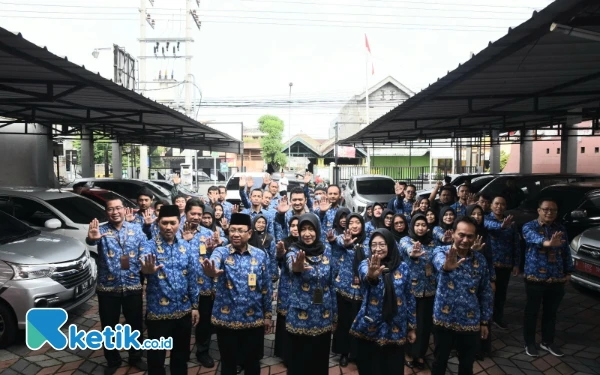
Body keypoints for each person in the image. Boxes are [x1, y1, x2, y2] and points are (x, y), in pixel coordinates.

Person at [201, 213, 273, 375]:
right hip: (226, 320)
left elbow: (266, 287)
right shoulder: (221, 252)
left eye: (240, 230)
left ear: (250, 233)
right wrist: (210, 270)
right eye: (232, 230)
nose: (235, 234)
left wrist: (268, 315)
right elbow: (213, 261)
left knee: (252, 362)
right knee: (228, 362)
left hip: (253, 319)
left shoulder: (260, 255)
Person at [86, 196, 148, 375]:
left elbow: (144, 250)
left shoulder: (136, 229)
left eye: (118, 208)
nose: (115, 212)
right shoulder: (101, 230)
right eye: (111, 209)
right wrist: (90, 239)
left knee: (135, 324)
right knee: (109, 326)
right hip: (108, 287)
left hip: (133, 286)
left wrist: (145, 266)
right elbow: (92, 240)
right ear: (107, 212)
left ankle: (135, 357)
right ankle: (112, 360)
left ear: (125, 209)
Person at [140, 205, 200, 375]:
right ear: (158, 223)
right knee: (156, 357)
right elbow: (143, 265)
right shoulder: (149, 246)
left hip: (183, 311)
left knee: (181, 356)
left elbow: (192, 279)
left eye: (172, 223)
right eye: (164, 223)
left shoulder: (186, 247)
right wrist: (146, 271)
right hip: (158, 313)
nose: (168, 227)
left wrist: (195, 306)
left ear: (179, 223)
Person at [350, 228, 417, 375]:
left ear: (390, 245)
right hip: (371, 326)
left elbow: (410, 297)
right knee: (370, 368)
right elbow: (364, 276)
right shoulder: (365, 263)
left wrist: (412, 327)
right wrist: (371, 276)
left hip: (396, 327)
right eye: (374, 244)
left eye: (382, 244)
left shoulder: (403, 268)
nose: (377, 248)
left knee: (392, 368)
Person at [431, 217, 493, 375]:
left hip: (470, 321)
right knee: (439, 362)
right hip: (444, 320)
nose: (465, 240)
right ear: (453, 234)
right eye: (461, 235)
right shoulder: (441, 252)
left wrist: (485, 322)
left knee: (466, 365)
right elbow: (440, 264)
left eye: (470, 236)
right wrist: (447, 267)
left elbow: (485, 291)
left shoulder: (480, 260)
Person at [285, 214, 337, 375]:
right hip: (300, 316)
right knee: (298, 360)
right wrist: (296, 268)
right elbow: (290, 264)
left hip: (323, 313)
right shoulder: (294, 251)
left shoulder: (327, 250)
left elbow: (332, 283)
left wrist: (335, 316)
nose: (307, 233)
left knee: (320, 359)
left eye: (311, 229)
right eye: (303, 229)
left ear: (318, 230)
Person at [521, 198, 574, 358]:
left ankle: (547, 341)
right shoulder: (529, 226)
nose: (549, 212)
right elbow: (532, 238)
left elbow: (566, 251)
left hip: (556, 278)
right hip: (535, 278)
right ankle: (529, 342)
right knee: (532, 312)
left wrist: (569, 271)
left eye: (553, 210)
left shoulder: (560, 228)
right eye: (546, 209)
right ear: (539, 211)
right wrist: (547, 243)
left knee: (551, 313)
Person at [180, 200, 219, 368]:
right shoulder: (175, 230)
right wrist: (185, 241)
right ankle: (181, 353)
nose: (196, 217)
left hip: (204, 287)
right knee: (182, 323)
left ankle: (202, 351)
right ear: (186, 213)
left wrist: (215, 246)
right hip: (182, 287)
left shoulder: (207, 233)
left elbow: (217, 249)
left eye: (199, 214)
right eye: (192, 214)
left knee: (204, 322)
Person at [330, 213, 368, 367]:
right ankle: (344, 353)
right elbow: (338, 241)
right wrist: (346, 244)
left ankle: (358, 353)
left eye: (357, 222)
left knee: (359, 322)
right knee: (344, 322)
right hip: (344, 288)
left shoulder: (369, 242)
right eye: (351, 222)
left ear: (362, 225)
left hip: (362, 290)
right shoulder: (343, 238)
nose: (354, 225)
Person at [399, 214, 436, 370]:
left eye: (423, 225)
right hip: (411, 291)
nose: (420, 228)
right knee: (411, 323)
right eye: (417, 225)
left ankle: (420, 353)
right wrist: (412, 253)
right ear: (412, 226)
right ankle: (407, 353)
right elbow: (407, 249)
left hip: (429, 291)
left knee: (424, 324)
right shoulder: (406, 240)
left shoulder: (433, 244)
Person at [484, 195, 520, 330]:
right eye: (496, 204)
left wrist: (516, 263)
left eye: (502, 204)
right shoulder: (486, 219)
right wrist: (502, 226)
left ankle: (498, 318)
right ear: (491, 205)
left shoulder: (511, 222)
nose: (499, 207)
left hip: (505, 263)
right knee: (487, 292)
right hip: (489, 263)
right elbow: (489, 226)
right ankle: (485, 318)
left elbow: (516, 243)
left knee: (501, 293)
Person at [466, 204, 496, 360]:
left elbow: (490, 259)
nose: (477, 217)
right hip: (466, 279)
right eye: (474, 214)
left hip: (482, 279)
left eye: (480, 214)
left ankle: (482, 348)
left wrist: (492, 278)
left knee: (483, 310)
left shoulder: (485, 234)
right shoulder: (462, 233)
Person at [273, 216, 300, 365]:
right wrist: (280, 254)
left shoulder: (308, 243)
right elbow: (278, 259)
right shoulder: (284, 242)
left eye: (298, 225)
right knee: (284, 318)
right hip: (286, 286)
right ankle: (284, 353)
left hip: (302, 287)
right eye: (293, 225)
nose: (295, 228)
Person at [248, 214, 278, 282]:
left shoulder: (269, 238)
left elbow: (273, 257)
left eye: (263, 223)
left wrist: (274, 273)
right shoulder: (249, 237)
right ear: (254, 223)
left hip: (265, 268)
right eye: (258, 222)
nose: (261, 225)